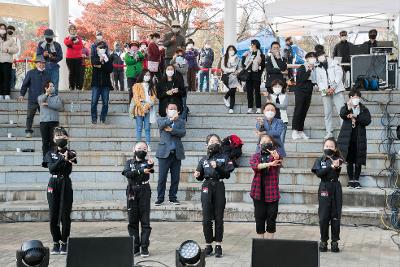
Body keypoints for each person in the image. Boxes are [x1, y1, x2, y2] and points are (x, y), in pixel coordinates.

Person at [194, 134, 235, 258]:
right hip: (207, 186)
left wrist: (217, 168)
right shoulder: (203, 159)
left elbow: (227, 174)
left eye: (216, 141)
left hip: (219, 185)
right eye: (211, 141)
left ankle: (218, 245)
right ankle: (208, 245)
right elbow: (200, 176)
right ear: (207, 145)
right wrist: (197, 175)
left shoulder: (224, 157)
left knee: (218, 217)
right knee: (206, 219)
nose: (214, 143)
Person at [45, 126, 77, 255]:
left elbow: (72, 163)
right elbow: (51, 169)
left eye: (63, 137)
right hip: (53, 183)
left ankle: (64, 242)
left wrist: (67, 157)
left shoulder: (71, 152)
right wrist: (61, 159)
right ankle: (55, 242)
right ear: (53, 139)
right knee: (53, 215)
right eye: (58, 137)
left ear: (67, 138)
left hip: (65, 183)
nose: (60, 139)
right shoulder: (50, 153)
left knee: (65, 215)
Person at [122, 142, 154, 257]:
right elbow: (127, 173)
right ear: (134, 149)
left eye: (144, 148)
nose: (142, 150)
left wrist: (150, 166)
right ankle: (135, 247)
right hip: (132, 191)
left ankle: (144, 247)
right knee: (132, 220)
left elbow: (150, 171)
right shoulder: (129, 162)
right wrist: (140, 171)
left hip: (144, 190)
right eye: (139, 148)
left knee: (145, 220)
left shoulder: (147, 162)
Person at [311, 137, 343, 253]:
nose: (328, 148)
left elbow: (338, 167)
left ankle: (335, 241)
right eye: (327, 146)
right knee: (324, 216)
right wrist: (330, 167)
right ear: (323, 147)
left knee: (335, 215)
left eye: (331, 146)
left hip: (335, 188)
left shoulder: (338, 159)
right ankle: (323, 240)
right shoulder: (320, 160)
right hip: (324, 187)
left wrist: (335, 165)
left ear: (335, 149)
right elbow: (319, 174)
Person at [250, 134, 283, 239]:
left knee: (271, 217)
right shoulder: (255, 156)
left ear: (272, 143)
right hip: (258, 192)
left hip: (272, 191)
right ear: (259, 145)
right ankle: (261, 242)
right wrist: (269, 164)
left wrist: (276, 157)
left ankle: (269, 243)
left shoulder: (275, 154)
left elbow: (279, 160)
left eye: (268, 141)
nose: (265, 143)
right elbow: (256, 166)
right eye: (263, 142)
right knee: (259, 217)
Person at [337, 90, 371, 189]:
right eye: (353, 97)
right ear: (350, 98)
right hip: (348, 139)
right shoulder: (346, 107)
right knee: (349, 160)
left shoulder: (363, 109)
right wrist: (348, 107)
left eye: (357, 97)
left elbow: (367, 120)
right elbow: (342, 114)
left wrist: (356, 116)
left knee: (358, 160)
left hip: (359, 138)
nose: (355, 99)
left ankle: (356, 180)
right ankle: (350, 180)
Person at [155, 103, 186, 206]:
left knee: (175, 178)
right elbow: (161, 126)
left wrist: (172, 130)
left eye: (174, 108)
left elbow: (182, 133)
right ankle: (160, 198)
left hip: (176, 153)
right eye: (170, 108)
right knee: (162, 177)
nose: (172, 110)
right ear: (167, 110)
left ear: (178, 111)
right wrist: (171, 119)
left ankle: (173, 197)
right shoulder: (161, 119)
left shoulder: (181, 121)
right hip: (164, 153)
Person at [315, 48, 345, 139]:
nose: (320, 57)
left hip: (337, 89)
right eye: (318, 56)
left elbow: (339, 74)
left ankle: (344, 131)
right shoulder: (317, 67)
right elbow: (319, 81)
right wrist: (325, 90)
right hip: (325, 92)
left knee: (342, 111)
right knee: (327, 112)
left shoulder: (334, 62)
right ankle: (329, 132)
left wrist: (333, 87)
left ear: (325, 54)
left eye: (321, 55)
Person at [19, 55, 51, 138]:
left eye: (43, 63)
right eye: (39, 63)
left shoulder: (47, 74)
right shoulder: (31, 73)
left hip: (44, 100)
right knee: (30, 116)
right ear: (36, 64)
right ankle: (28, 131)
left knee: (44, 118)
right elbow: (25, 85)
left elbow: (51, 86)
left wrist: (50, 95)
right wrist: (22, 94)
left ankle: (45, 132)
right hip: (32, 99)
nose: (41, 64)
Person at [38, 81, 64, 168]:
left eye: (53, 86)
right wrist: (46, 94)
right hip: (44, 123)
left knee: (54, 142)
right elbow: (40, 101)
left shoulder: (57, 97)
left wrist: (48, 104)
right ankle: (45, 160)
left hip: (54, 122)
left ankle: (54, 160)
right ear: (46, 88)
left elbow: (59, 106)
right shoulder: (41, 96)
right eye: (50, 86)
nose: (52, 87)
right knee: (45, 143)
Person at [292, 52, 317, 140]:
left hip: (308, 92)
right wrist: (309, 70)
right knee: (298, 111)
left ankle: (300, 130)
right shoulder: (302, 67)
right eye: (311, 57)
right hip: (300, 91)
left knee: (304, 111)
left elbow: (314, 81)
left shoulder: (315, 69)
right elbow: (302, 79)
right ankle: (294, 130)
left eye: (314, 57)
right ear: (306, 59)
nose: (313, 58)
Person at [132, 70, 157, 150]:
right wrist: (142, 107)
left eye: (149, 75)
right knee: (139, 128)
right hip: (139, 109)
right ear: (142, 75)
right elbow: (136, 98)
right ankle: (138, 145)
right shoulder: (136, 85)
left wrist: (148, 106)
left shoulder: (152, 86)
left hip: (149, 109)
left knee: (147, 128)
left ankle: (148, 145)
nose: (147, 76)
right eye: (146, 75)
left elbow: (154, 98)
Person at [90, 41, 113, 124]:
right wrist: (100, 61)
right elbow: (94, 64)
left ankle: (102, 118)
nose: (102, 49)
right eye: (100, 47)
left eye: (103, 48)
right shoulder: (94, 56)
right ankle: (94, 118)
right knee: (94, 102)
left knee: (105, 103)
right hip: (96, 83)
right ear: (97, 48)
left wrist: (102, 64)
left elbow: (109, 69)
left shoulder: (108, 58)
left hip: (106, 84)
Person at [242, 39, 265, 114]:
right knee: (249, 92)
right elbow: (244, 65)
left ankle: (258, 108)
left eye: (252, 44)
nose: (251, 45)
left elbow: (263, 66)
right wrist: (243, 57)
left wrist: (259, 74)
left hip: (256, 74)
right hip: (248, 74)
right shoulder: (249, 53)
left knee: (257, 92)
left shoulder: (261, 54)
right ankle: (250, 108)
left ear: (255, 44)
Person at [36, 28, 63, 94]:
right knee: (44, 84)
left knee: (54, 84)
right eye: (47, 37)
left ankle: (54, 100)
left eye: (50, 37)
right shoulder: (41, 44)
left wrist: (53, 57)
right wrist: (44, 55)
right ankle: (43, 99)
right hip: (44, 66)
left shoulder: (57, 45)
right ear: (45, 37)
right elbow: (38, 57)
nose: (48, 38)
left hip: (54, 66)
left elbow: (60, 56)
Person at [264, 80, 288, 144]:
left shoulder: (284, 95)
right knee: (271, 140)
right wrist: (268, 97)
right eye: (275, 86)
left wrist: (274, 103)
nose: (277, 88)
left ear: (282, 87)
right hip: (272, 120)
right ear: (272, 87)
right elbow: (268, 106)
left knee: (281, 141)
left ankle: (280, 153)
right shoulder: (270, 96)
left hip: (282, 120)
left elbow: (284, 106)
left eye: (279, 86)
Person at [0, 23, 18, 100]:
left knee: (6, 78)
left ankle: (7, 94)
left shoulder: (10, 39)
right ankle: (0, 94)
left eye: (4, 28)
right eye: (1, 28)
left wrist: (8, 50)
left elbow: (16, 49)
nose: (2, 30)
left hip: (7, 61)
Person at [221, 45, 240, 114]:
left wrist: (237, 72)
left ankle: (231, 108)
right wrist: (231, 70)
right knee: (232, 90)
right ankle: (225, 97)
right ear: (227, 51)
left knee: (233, 91)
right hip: (226, 76)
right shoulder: (224, 57)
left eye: (232, 49)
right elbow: (223, 67)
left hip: (234, 76)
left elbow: (239, 68)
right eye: (230, 49)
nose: (231, 51)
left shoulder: (237, 58)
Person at [64, 24, 83, 90]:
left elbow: (80, 47)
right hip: (69, 58)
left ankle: (78, 86)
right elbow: (67, 43)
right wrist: (71, 40)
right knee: (71, 72)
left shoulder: (79, 38)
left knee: (78, 72)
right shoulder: (67, 38)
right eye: (71, 29)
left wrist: (72, 46)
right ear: (69, 30)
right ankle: (71, 86)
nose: (73, 30)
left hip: (78, 58)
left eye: (74, 29)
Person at [170, 49, 189, 118]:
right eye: (178, 54)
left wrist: (177, 67)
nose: (179, 56)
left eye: (181, 54)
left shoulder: (185, 62)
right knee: (176, 102)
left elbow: (184, 71)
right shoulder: (174, 63)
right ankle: (176, 116)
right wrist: (174, 58)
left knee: (183, 101)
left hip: (184, 85)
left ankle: (183, 117)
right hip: (175, 85)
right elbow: (170, 63)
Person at [7, 25, 21, 91]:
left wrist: (14, 58)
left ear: (13, 31)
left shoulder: (16, 39)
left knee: (13, 76)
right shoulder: (3, 39)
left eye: (12, 30)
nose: (10, 31)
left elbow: (18, 50)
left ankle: (12, 89)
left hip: (13, 60)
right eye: (9, 29)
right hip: (4, 60)